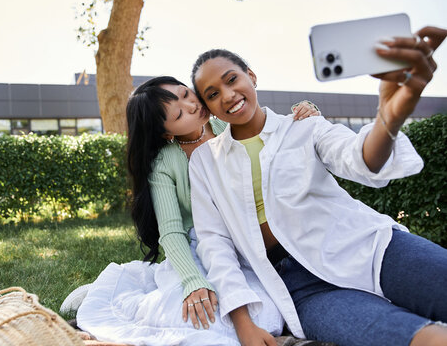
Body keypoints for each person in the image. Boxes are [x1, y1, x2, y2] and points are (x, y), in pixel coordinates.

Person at [188, 26, 447, 346]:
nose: (227, 95)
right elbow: (215, 245)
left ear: (251, 76)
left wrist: (390, 117)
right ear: (208, 107)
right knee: (430, 340)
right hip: (302, 288)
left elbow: (362, 159)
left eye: (231, 80)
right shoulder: (204, 162)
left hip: (370, 248)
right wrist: (242, 321)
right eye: (212, 94)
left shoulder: (304, 125)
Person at [60, 76, 322, 345]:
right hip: (197, 252)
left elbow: (273, 131)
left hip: (245, 246)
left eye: (186, 94)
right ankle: (117, 299)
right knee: (201, 319)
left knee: (266, 317)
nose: (192, 105)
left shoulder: (225, 123)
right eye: (179, 113)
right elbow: (172, 232)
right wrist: (193, 281)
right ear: (166, 132)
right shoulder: (165, 162)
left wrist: (305, 111)